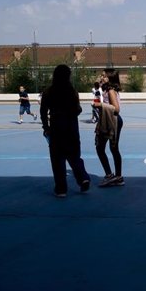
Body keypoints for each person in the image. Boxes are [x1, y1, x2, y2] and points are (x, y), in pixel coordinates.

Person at [40, 65, 91, 197]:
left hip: (56, 126)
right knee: (74, 155)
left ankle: (61, 189)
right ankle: (83, 177)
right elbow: (78, 110)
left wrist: (46, 127)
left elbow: (43, 111)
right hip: (71, 126)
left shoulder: (48, 92)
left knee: (57, 159)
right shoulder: (72, 91)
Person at [94, 69, 124, 187]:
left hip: (113, 120)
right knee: (100, 147)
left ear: (110, 79)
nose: (101, 77)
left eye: (104, 76)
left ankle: (117, 176)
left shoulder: (111, 90)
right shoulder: (106, 90)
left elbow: (116, 109)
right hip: (106, 119)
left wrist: (100, 105)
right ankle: (111, 175)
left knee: (113, 148)